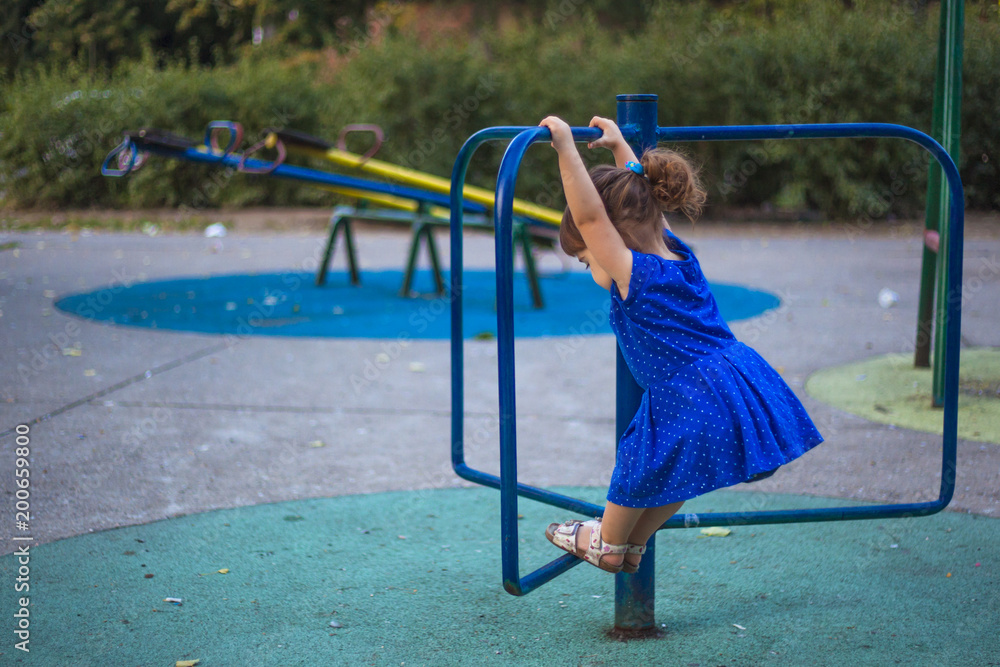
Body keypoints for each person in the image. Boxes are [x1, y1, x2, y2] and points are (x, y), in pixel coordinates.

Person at [539, 115, 824, 573]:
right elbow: (639, 201)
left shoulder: (635, 273)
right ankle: (633, 544)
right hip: (734, 379)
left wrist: (566, 148)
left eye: (585, 256)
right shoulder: (676, 253)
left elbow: (592, 215)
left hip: (688, 390)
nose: (588, 264)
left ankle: (608, 540)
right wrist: (619, 150)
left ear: (611, 241)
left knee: (640, 460)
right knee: (677, 472)